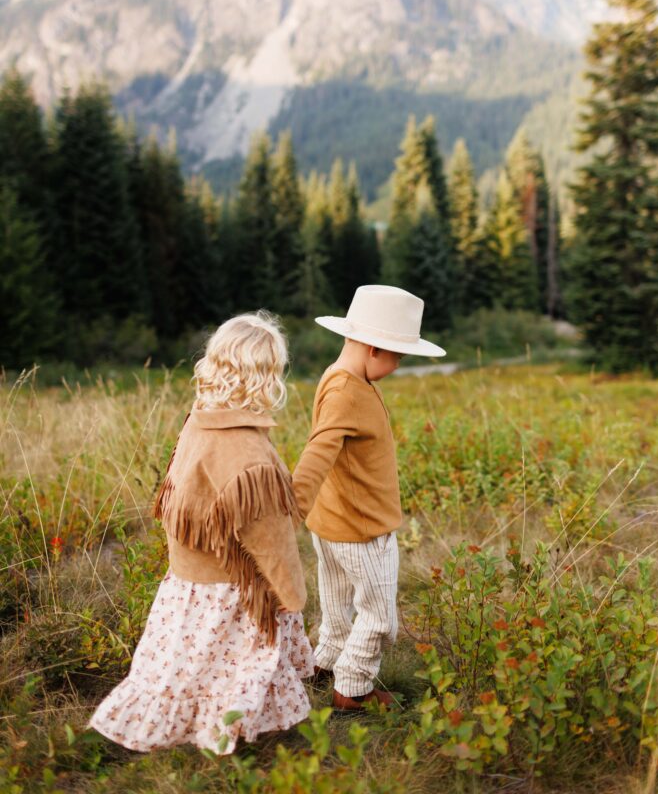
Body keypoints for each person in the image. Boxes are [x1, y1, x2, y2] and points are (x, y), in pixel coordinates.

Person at [89, 312, 314, 754]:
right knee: (236, 665)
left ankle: (178, 730)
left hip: (188, 581)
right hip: (231, 590)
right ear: (266, 375)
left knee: (187, 667)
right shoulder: (248, 453)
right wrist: (291, 595)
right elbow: (269, 539)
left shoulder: (199, 421)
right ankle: (225, 735)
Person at [292, 285, 445, 712]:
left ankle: (325, 662)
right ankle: (353, 688)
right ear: (374, 349)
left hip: (333, 523)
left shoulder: (339, 376)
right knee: (379, 617)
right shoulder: (346, 391)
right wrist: (290, 508)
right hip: (361, 529)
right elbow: (318, 451)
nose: (397, 366)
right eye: (398, 356)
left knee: (338, 605)